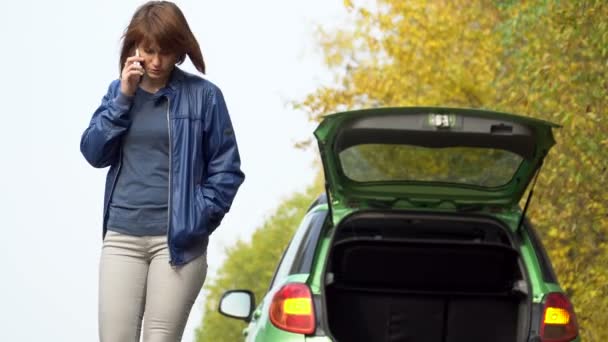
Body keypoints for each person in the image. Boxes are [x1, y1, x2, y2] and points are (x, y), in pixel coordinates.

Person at [80, 1, 245, 341]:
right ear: (135, 48)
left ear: (180, 50)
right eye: (149, 50)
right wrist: (124, 99)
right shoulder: (117, 93)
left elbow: (227, 169)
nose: (156, 61)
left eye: (166, 52)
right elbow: (94, 152)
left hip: (178, 244)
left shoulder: (205, 96)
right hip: (121, 238)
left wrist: (198, 219)